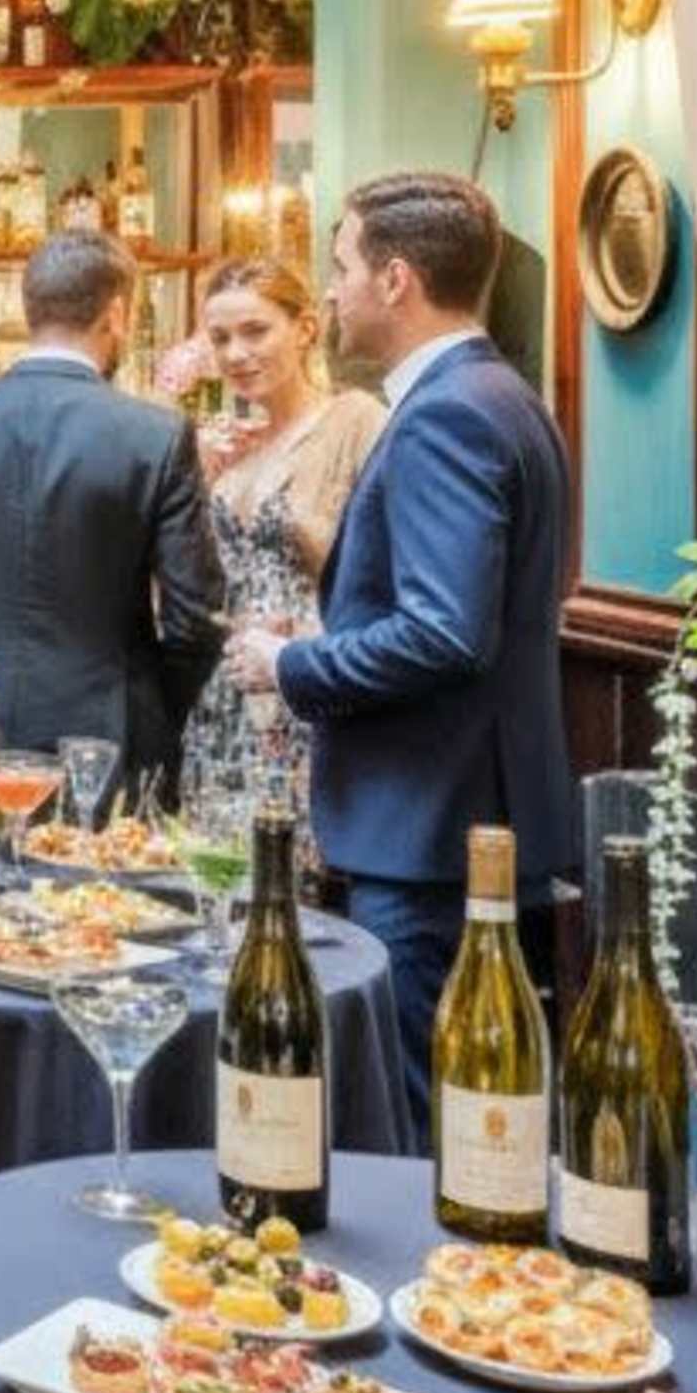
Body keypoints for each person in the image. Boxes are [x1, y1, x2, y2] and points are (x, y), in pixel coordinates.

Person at [228, 172, 576, 1098]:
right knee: (469, 1099)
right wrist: (322, 624)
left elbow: (444, 633)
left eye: (340, 266)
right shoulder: (502, 396)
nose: (330, 290)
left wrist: (289, 661)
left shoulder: (448, 415)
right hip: (469, 815)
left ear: (396, 280)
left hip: (430, 828)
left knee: (424, 1108)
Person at [0, 230, 226, 786]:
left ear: (27, 307)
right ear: (117, 313)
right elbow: (193, 622)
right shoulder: (156, 436)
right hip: (107, 737)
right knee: (94, 876)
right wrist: (154, 704)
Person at [173, 256, 386, 810]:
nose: (236, 354)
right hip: (222, 696)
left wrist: (306, 634)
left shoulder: (354, 420)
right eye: (220, 339)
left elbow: (385, 565)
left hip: (307, 686)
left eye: (255, 331)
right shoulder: (232, 451)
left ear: (306, 329)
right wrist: (198, 478)